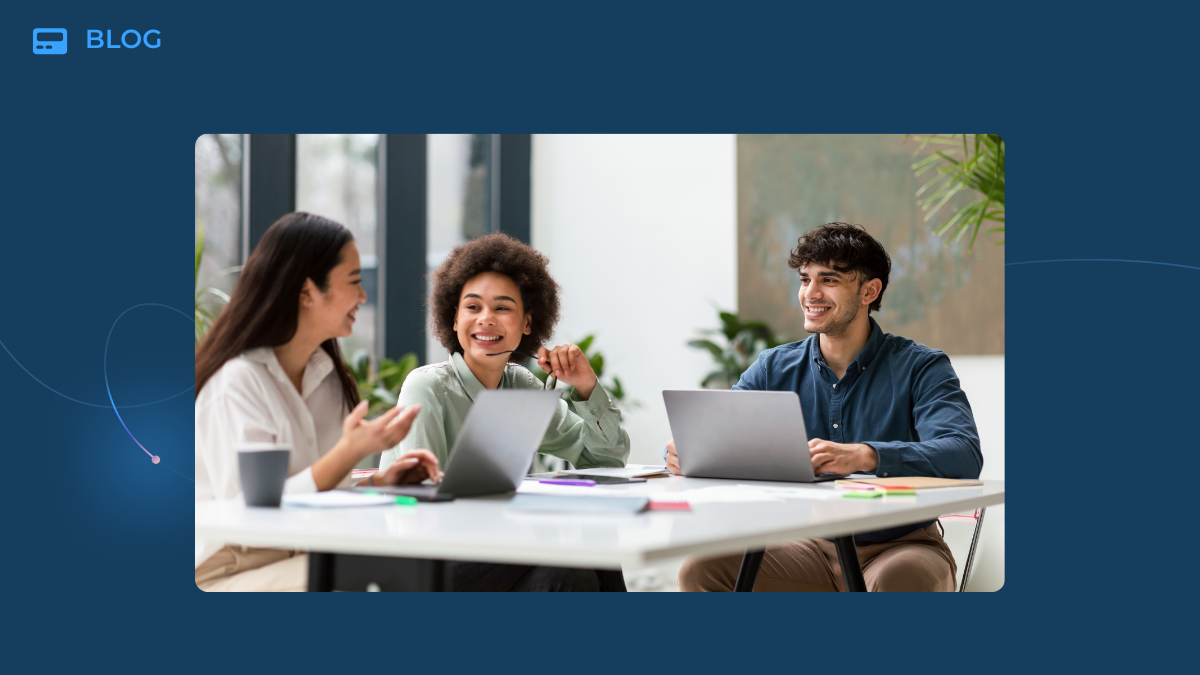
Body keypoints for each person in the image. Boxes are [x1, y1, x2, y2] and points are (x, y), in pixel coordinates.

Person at [667, 222, 983, 592]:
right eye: (805, 279)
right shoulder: (773, 367)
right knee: (701, 569)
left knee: (903, 580)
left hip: (901, 544)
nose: (810, 294)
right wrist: (687, 451)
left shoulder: (921, 366)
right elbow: (715, 436)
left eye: (828, 280)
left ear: (870, 291)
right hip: (804, 546)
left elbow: (963, 453)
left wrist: (866, 455)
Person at [194, 212, 440, 592]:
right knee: (387, 573)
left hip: (304, 559)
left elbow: (319, 502)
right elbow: (252, 519)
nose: (362, 296)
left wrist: (378, 482)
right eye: (354, 282)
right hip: (228, 572)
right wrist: (347, 453)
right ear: (307, 292)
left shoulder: (329, 382)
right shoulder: (237, 384)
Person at [380, 232, 630, 591]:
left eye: (502, 308)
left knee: (566, 574)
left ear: (527, 323)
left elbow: (604, 457)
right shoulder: (427, 387)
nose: (486, 319)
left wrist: (586, 387)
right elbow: (424, 505)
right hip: (423, 562)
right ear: (453, 319)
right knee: (578, 540)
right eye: (472, 307)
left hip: (493, 553)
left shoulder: (521, 385)